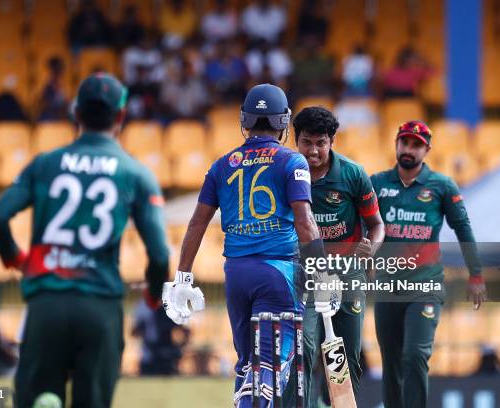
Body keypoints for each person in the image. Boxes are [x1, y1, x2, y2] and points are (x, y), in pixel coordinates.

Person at [0, 73, 169, 408]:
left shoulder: (44, 165)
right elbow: (159, 255)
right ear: (120, 117)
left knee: (34, 400)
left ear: (77, 114)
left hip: (46, 305)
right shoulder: (136, 174)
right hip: (99, 309)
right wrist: (153, 296)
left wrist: (16, 258)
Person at [162, 84, 334, 407]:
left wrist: (182, 277)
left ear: (245, 120)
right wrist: (322, 274)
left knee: (247, 364)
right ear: (284, 123)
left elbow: (197, 223)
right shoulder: (292, 162)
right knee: (270, 368)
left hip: (237, 274)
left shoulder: (222, 165)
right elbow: (306, 224)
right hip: (278, 273)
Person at [370, 120, 487, 408]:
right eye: (405, 142)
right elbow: (362, 225)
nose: (409, 149)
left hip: (425, 286)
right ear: (396, 143)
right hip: (388, 286)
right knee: (392, 363)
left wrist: (476, 274)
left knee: (414, 355)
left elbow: (463, 228)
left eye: (416, 145)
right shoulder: (377, 184)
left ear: (427, 150)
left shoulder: (442, 186)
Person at [293, 106, 385, 405]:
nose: (314, 151)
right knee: (305, 348)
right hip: (306, 273)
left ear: (332, 141)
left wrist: (371, 245)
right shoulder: (286, 174)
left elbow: (377, 225)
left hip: (347, 273)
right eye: (307, 142)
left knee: (344, 353)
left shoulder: (352, 174)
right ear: (296, 141)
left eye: (321, 143)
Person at [132, 298, 190, 376]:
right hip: (149, 356)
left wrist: (179, 346)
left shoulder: (172, 306)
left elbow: (184, 331)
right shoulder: (144, 306)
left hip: (167, 357)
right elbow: (134, 332)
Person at [38, 57, 69, 121]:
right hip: (49, 116)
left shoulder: (64, 86)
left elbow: (65, 104)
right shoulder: (47, 87)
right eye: (54, 71)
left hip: (63, 116)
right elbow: (44, 103)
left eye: (58, 70)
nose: (56, 74)